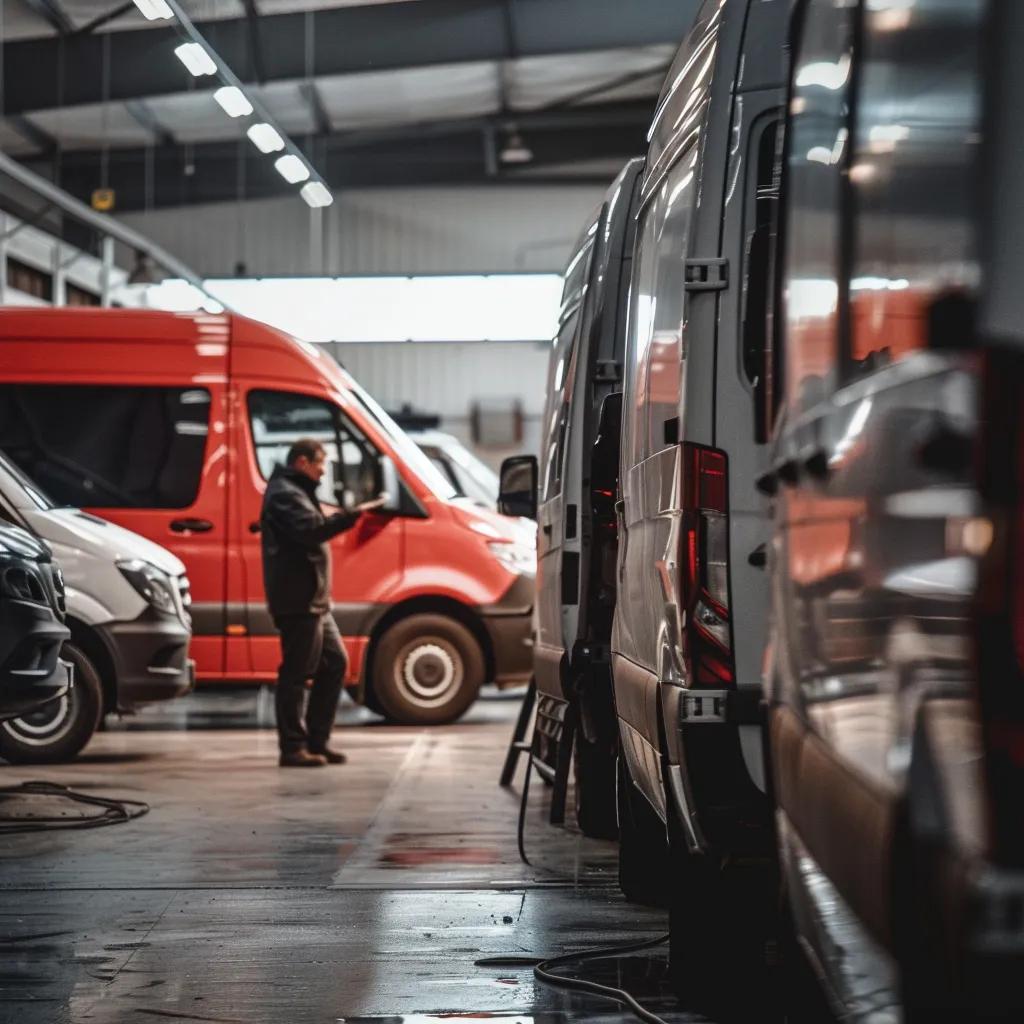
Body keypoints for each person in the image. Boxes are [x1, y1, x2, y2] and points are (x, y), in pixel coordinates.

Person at [260, 438, 384, 767]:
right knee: (296, 674)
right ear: (302, 462)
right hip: (298, 600)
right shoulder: (286, 493)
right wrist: (352, 516)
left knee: (335, 664)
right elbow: (311, 531)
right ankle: (292, 748)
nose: (323, 470)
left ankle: (317, 741)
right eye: (320, 463)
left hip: (313, 600)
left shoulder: (296, 490)